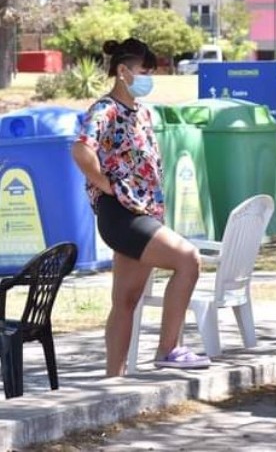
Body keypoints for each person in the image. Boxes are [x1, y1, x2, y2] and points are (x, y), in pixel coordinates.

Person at [72, 38, 210, 376]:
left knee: (125, 301)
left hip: (141, 214)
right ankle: (169, 348)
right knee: (188, 260)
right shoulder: (106, 110)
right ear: (123, 72)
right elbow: (81, 150)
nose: (149, 78)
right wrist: (108, 187)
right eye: (144, 71)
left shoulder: (142, 112)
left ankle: (112, 380)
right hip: (122, 216)